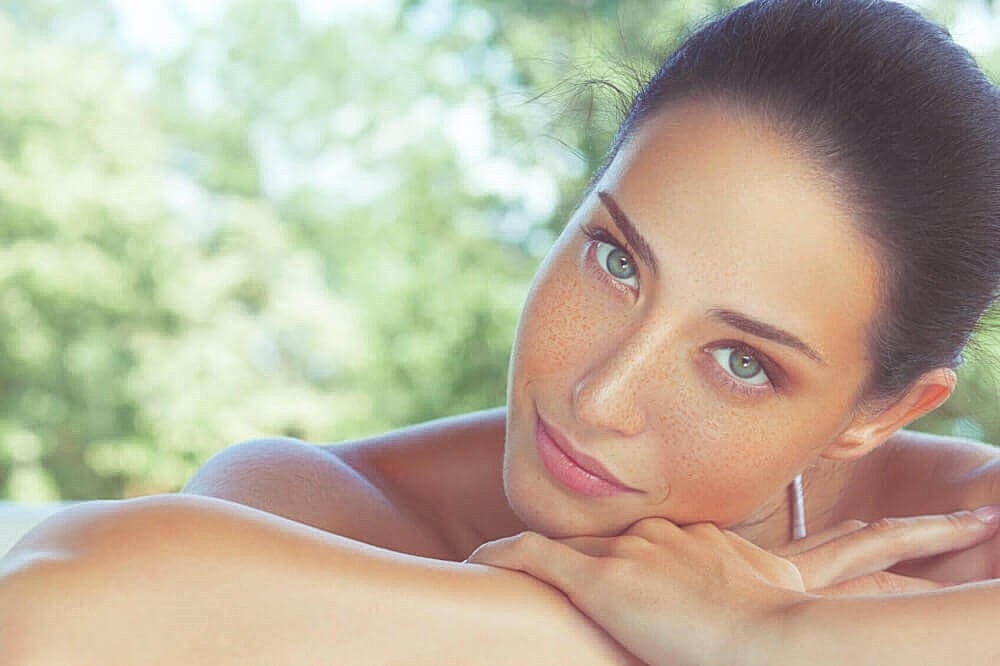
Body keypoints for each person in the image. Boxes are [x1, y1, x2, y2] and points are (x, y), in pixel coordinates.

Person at [4, 0, 1000, 663]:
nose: (600, 399)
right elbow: (53, 611)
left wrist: (768, 634)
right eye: (615, 261)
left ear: (882, 412)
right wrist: (727, 637)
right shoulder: (310, 511)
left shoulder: (966, 550)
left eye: (742, 363)